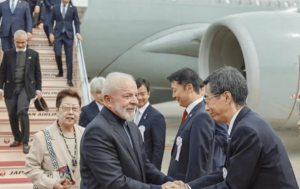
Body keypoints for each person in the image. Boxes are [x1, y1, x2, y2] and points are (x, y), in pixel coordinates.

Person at [167, 66, 299, 189]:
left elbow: (232, 185)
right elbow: (226, 172)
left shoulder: (247, 130)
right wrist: (189, 186)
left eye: (208, 99)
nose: (206, 107)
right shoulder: (246, 121)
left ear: (226, 97)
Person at [80, 72, 174, 189]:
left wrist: (168, 181)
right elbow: (115, 182)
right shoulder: (97, 132)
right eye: (128, 96)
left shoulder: (131, 125)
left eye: (135, 95)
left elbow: (144, 165)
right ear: (108, 100)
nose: (135, 101)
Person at [25, 89, 85, 189]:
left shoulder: (86, 134)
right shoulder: (42, 137)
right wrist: (51, 184)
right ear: (57, 110)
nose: (70, 112)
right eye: (65, 108)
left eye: (75, 108)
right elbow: (30, 168)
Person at [166, 67, 215, 182]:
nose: (173, 96)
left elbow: (198, 164)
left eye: (175, 90)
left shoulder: (201, 117)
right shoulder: (193, 113)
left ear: (189, 88)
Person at [0, 30, 41, 154]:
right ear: (14, 41)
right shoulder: (8, 54)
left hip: (26, 87)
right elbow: (2, 72)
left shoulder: (33, 54)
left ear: (27, 41)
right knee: (12, 114)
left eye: (23, 42)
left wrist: (38, 89)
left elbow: (37, 73)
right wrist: (0, 88)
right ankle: (17, 138)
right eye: (18, 42)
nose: (20, 45)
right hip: (11, 87)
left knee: (22, 111)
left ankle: (25, 142)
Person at [134, 78, 166, 170]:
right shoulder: (132, 113)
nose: (139, 97)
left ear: (149, 94)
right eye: (136, 94)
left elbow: (158, 148)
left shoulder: (156, 116)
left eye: (142, 94)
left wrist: (154, 171)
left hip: (147, 167)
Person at [48, 0, 82, 87]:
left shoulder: (73, 8)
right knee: (57, 53)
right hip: (58, 34)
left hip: (69, 35)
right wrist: (51, 33)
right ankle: (60, 71)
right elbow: (50, 21)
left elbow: (76, 22)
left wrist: (78, 33)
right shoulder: (55, 7)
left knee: (69, 57)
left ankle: (69, 79)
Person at [200, 83, 228, 171]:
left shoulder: (213, 106)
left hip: (214, 162)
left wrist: (204, 141)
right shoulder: (197, 107)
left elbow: (223, 136)